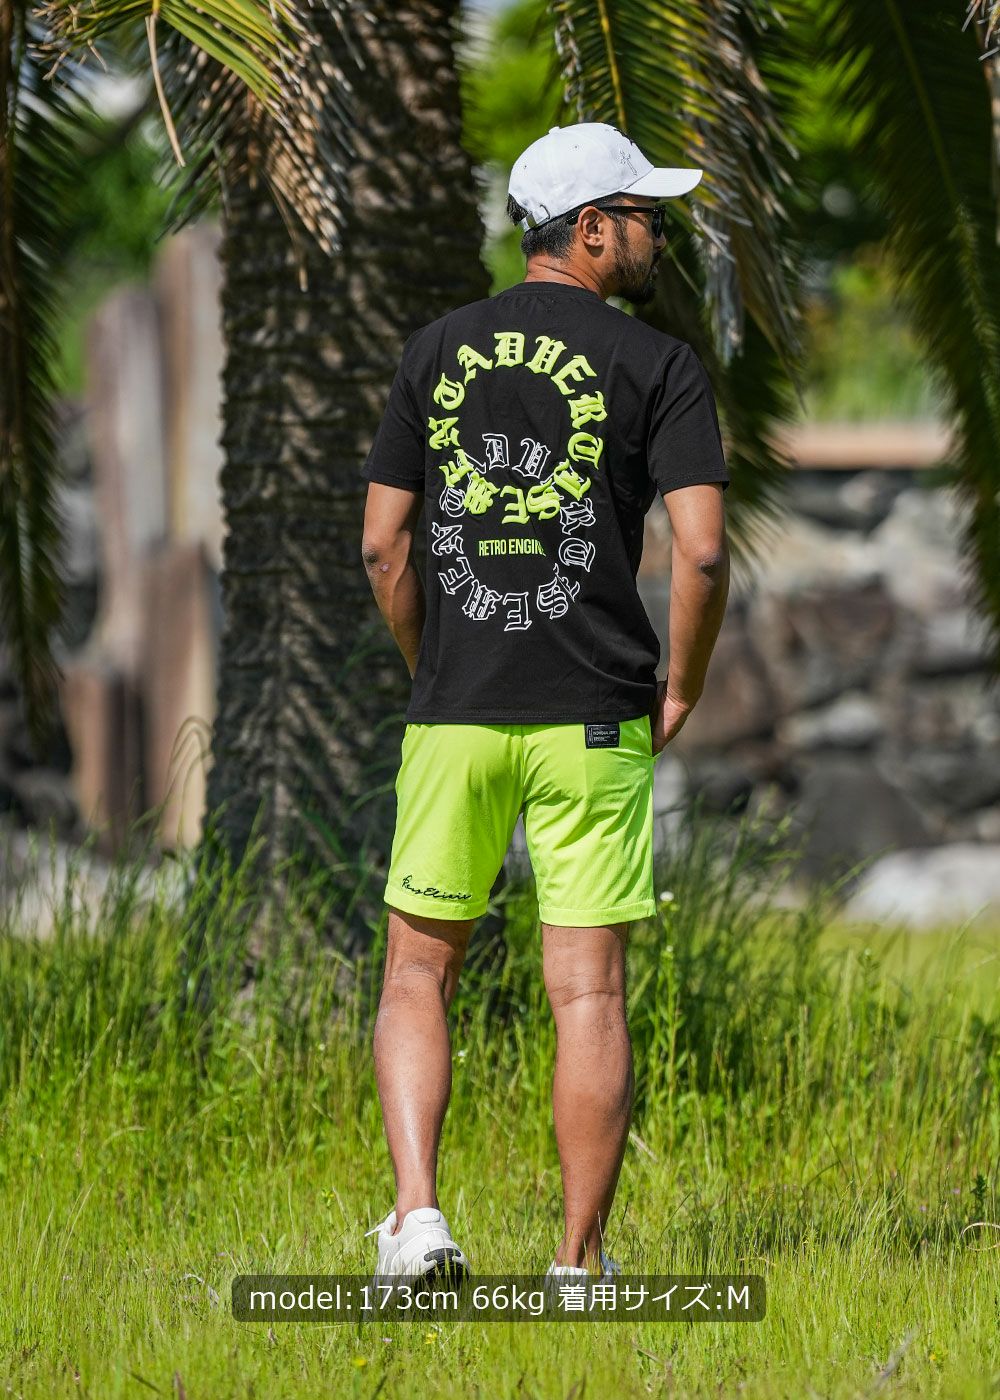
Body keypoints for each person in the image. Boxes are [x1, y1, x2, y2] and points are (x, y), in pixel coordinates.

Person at [360, 122, 730, 1282]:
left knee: (418, 971)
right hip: (596, 717)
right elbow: (702, 551)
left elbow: (381, 545)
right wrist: (683, 683)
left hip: (456, 710)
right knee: (587, 990)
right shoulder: (658, 364)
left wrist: (436, 663)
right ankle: (576, 1265)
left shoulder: (433, 349)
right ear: (592, 229)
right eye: (646, 216)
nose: (659, 236)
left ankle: (418, 1220)